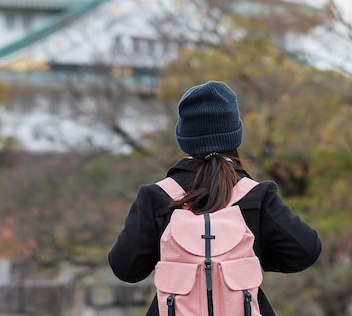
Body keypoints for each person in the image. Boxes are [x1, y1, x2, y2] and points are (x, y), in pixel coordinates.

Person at [108, 80, 322, 316]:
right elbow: (306, 250)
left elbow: (125, 268)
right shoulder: (256, 196)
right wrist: (252, 255)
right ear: (235, 134)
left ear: (184, 138)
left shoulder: (156, 196)